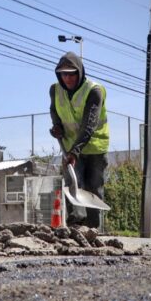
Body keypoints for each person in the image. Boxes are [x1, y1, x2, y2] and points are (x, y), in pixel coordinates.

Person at [49, 51, 109, 228]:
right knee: (74, 185)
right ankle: (75, 225)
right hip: (70, 146)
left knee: (93, 188)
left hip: (95, 148)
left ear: (80, 72)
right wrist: (57, 126)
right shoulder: (55, 90)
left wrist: (75, 151)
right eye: (63, 74)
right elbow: (54, 110)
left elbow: (89, 124)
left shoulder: (94, 91)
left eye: (71, 73)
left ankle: (92, 228)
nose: (67, 78)